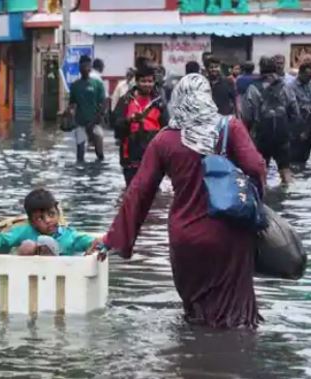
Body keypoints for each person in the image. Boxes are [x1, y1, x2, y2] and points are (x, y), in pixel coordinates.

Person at [102, 74, 267, 329]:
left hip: (186, 237)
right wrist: (257, 206)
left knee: (195, 313)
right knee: (236, 318)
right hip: (229, 234)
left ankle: (192, 360)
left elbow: (139, 192)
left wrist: (114, 240)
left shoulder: (164, 140)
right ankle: (230, 361)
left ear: (177, 101)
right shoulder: (229, 127)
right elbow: (256, 166)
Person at [0, 188, 102, 256]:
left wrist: (96, 243)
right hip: (28, 281)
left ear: (58, 212)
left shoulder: (68, 235)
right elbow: (2, 239)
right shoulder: (24, 231)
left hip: (60, 283)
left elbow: (86, 240)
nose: (48, 220)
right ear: (32, 222)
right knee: (28, 246)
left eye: (51, 214)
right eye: (40, 218)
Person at [242, 56, 299, 184]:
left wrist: (249, 133)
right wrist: (289, 129)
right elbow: (294, 111)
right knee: (285, 169)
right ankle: (289, 195)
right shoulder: (285, 87)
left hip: (262, 134)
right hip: (282, 133)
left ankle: (264, 197)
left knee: (262, 170)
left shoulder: (253, 88)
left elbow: (247, 115)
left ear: (261, 69)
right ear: (275, 69)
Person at [112, 65, 169, 185]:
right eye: (143, 81)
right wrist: (129, 120)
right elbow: (116, 126)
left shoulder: (159, 103)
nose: (147, 84)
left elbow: (166, 129)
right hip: (130, 157)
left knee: (151, 195)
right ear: (137, 82)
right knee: (132, 193)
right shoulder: (125, 101)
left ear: (154, 82)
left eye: (150, 81)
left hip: (154, 156)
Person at [68, 55, 105, 162]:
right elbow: (72, 104)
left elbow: (103, 103)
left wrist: (95, 121)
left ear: (90, 68)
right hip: (80, 123)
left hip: (95, 123)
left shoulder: (97, 84)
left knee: (100, 154)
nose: (86, 68)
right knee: (80, 153)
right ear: (79, 68)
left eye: (88, 66)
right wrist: (68, 115)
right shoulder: (75, 86)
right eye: (83, 66)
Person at [288, 62, 311, 165]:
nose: (309, 78)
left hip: (309, 125)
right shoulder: (291, 87)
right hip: (297, 127)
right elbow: (292, 109)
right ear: (301, 73)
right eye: (308, 76)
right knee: (296, 160)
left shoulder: (309, 85)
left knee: (305, 158)